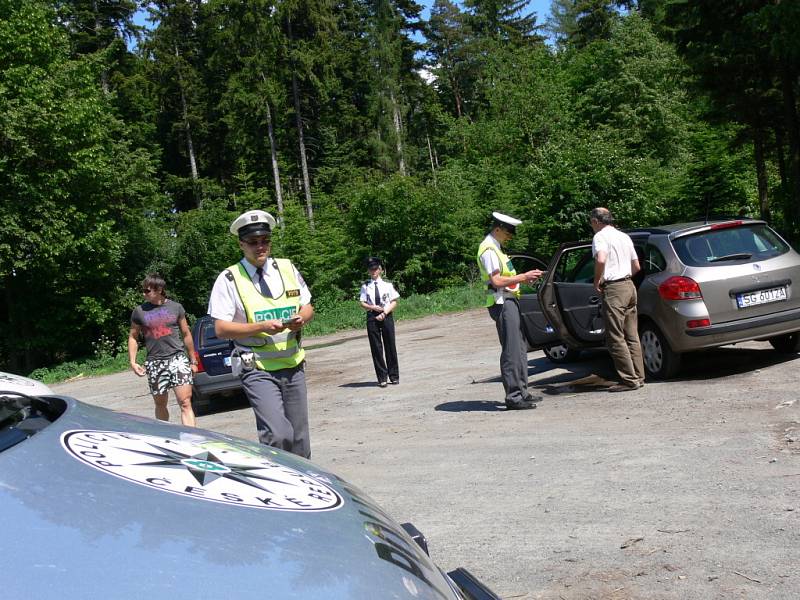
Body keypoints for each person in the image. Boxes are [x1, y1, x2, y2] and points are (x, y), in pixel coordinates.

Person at [207, 209, 314, 458]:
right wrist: (260, 327)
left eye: (265, 240)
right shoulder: (229, 279)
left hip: (293, 365)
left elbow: (307, 306)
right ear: (241, 244)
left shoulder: (287, 268)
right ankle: (278, 486)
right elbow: (221, 329)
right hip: (257, 368)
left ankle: (303, 491)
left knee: (299, 440)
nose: (260, 247)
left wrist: (302, 318)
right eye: (253, 242)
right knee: (278, 435)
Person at [477, 212, 544, 410]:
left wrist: (523, 279)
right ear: (497, 229)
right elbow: (496, 281)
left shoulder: (496, 248)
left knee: (520, 349)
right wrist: (523, 277)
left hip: (509, 299)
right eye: (508, 233)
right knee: (512, 350)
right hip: (501, 301)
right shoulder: (488, 249)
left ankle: (522, 392)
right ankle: (514, 397)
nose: (510, 237)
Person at [128, 274, 198, 426]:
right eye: (143, 290)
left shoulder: (176, 307)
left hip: (178, 359)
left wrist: (193, 360)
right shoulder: (139, 311)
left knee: (185, 402)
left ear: (159, 289)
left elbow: (186, 334)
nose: (144, 294)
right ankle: (166, 436)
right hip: (155, 362)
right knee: (160, 404)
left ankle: (193, 440)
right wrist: (133, 362)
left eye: (147, 291)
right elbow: (133, 337)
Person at [589, 207, 646, 392]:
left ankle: (628, 380)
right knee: (632, 335)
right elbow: (636, 266)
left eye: (591, 222)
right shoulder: (624, 236)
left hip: (614, 289)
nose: (591, 225)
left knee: (615, 336)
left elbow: (601, 259)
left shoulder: (600, 237)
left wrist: (597, 280)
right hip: (630, 286)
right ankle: (638, 376)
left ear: (596, 221)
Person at [359, 257, 400, 387]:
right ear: (368, 271)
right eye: (371, 269)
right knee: (376, 348)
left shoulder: (387, 285)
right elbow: (362, 303)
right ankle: (382, 377)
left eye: (376, 269)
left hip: (386, 315)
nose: (373, 271)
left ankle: (393, 376)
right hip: (372, 317)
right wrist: (372, 307)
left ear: (380, 270)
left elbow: (394, 301)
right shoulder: (365, 286)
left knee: (390, 345)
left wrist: (384, 313)